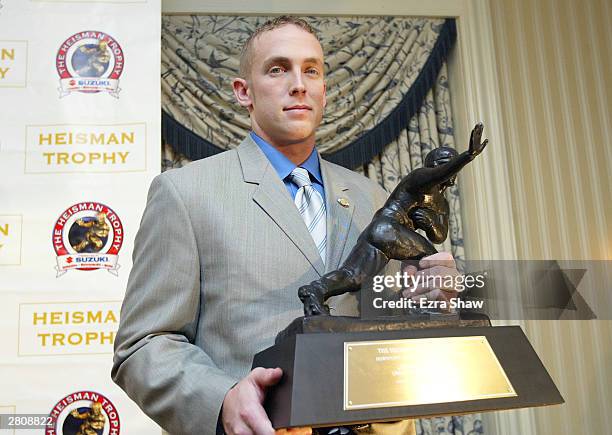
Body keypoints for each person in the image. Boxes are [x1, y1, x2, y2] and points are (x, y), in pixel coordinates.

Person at [112, 16, 461, 435]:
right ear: (244, 92)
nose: (298, 83)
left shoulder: (370, 196)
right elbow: (143, 345)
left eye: (311, 70)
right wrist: (222, 400)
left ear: (324, 90)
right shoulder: (184, 194)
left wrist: (427, 306)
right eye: (278, 69)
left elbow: (387, 336)